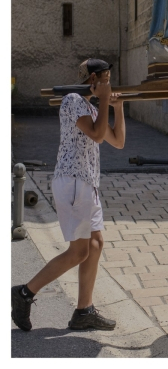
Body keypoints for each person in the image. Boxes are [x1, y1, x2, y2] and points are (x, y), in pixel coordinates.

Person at [12, 59, 126, 331]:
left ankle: (83, 311)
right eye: (107, 79)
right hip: (74, 183)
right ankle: (24, 293)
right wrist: (105, 99)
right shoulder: (72, 99)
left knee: (95, 245)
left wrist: (117, 108)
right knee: (78, 252)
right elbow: (98, 136)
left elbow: (118, 142)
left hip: (87, 185)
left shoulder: (90, 105)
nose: (109, 84)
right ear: (94, 78)